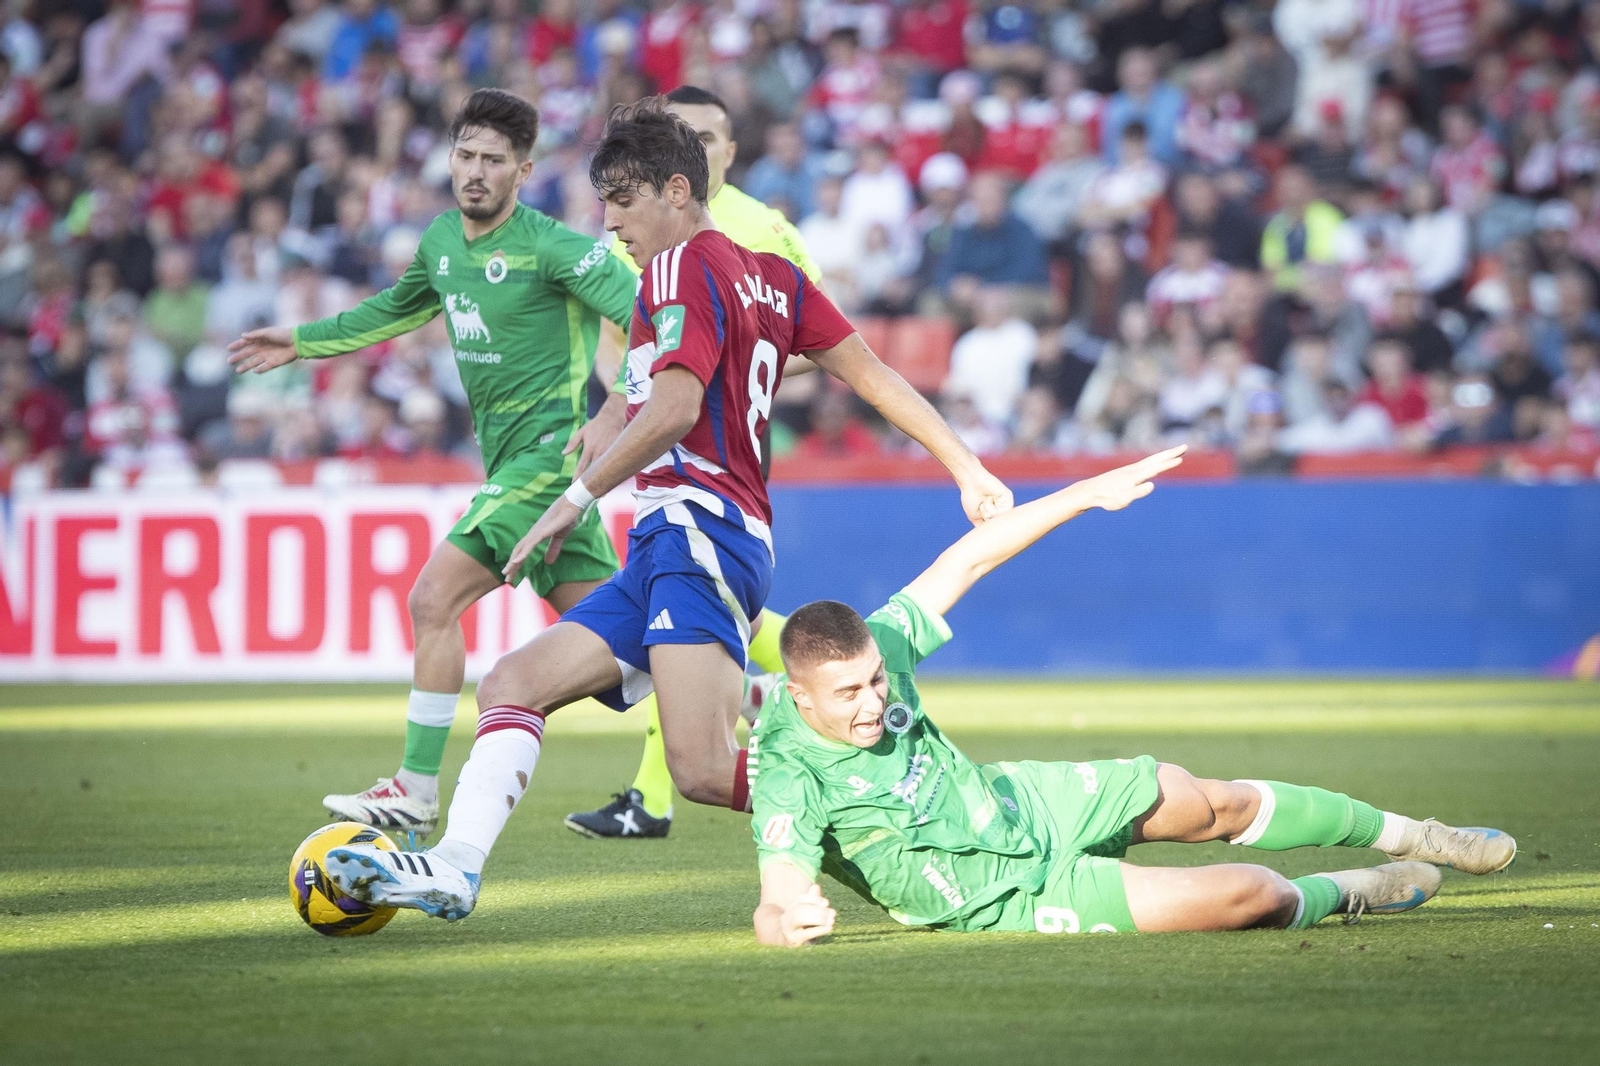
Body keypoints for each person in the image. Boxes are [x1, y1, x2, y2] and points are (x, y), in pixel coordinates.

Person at [322, 98, 1012, 920]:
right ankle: (455, 868)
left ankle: (907, 803)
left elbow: (678, 407)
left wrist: (573, 497)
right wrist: (965, 465)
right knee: (511, 682)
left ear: (676, 190)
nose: (609, 223)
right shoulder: (772, 276)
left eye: (622, 200)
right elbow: (860, 376)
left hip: (701, 532)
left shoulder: (679, 269)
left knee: (702, 771)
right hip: (675, 542)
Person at [747, 448, 1517, 946]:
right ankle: (1345, 894)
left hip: (1019, 803)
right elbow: (776, 893)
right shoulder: (786, 765)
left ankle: (1417, 835)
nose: (874, 700)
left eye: (878, 678)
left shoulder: (882, 642)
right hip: (993, 895)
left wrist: (1083, 494)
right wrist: (792, 922)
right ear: (801, 699)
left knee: (1203, 801)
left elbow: (970, 558)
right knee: (1251, 896)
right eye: (849, 693)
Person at [227, 89, 642, 838]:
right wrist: (303, 339)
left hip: (546, 464)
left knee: (432, 600)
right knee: (629, 644)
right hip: (511, 466)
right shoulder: (444, 242)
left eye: (493, 159)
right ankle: (756, 701)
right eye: (466, 155)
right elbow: (389, 310)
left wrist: (619, 409)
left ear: (524, 169)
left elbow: (649, 312)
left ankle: (416, 788)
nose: (476, 171)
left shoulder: (555, 246)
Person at [568, 84, 828, 841]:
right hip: (665, 463)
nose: (704, 148)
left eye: (715, 137)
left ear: (730, 152)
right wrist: (621, 403)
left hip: (714, 475)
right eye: (691, 135)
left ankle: (837, 678)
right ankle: (784, 699)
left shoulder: (761, 230)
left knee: (688, 637)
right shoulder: (648, 227)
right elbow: (644, 344)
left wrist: (725, 367)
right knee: (683, 636)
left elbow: (813, 341)